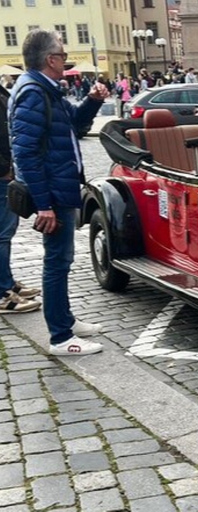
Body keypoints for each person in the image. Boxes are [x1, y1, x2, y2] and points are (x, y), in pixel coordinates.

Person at [8, 29, 109, 355]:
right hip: (52, 192)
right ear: (51, 59)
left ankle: (64, 319)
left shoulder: (46, 90)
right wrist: (44, 205)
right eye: (63, 55)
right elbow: (24, 153)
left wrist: (93, 102)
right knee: (56, 261)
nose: (66, 59)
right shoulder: (34, 92)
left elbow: (73, 124)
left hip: (59, 187)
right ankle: (61, 337)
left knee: (62, 261)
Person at [0, 83, 42, 314]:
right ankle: (3, 293)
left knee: (6, 231)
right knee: (2, 234)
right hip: (2, 174)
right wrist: (3, 168)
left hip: (6, 171)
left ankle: (7, 282)